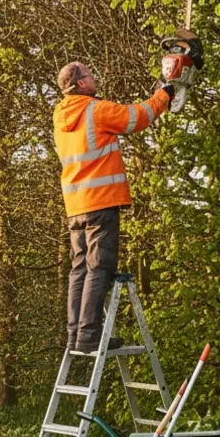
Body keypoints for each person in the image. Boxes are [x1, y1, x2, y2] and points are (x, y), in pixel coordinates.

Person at [54, 61, 173, 354]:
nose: (95, 77)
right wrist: (164, 95)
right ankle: (90, 336)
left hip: (75, 205)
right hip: (101, 201)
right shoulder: (94, 109)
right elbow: (136, 117)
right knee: (99, 267)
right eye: (90, 75)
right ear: (80, 83)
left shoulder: (60, 115)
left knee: (79, 269)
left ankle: (76, 336)